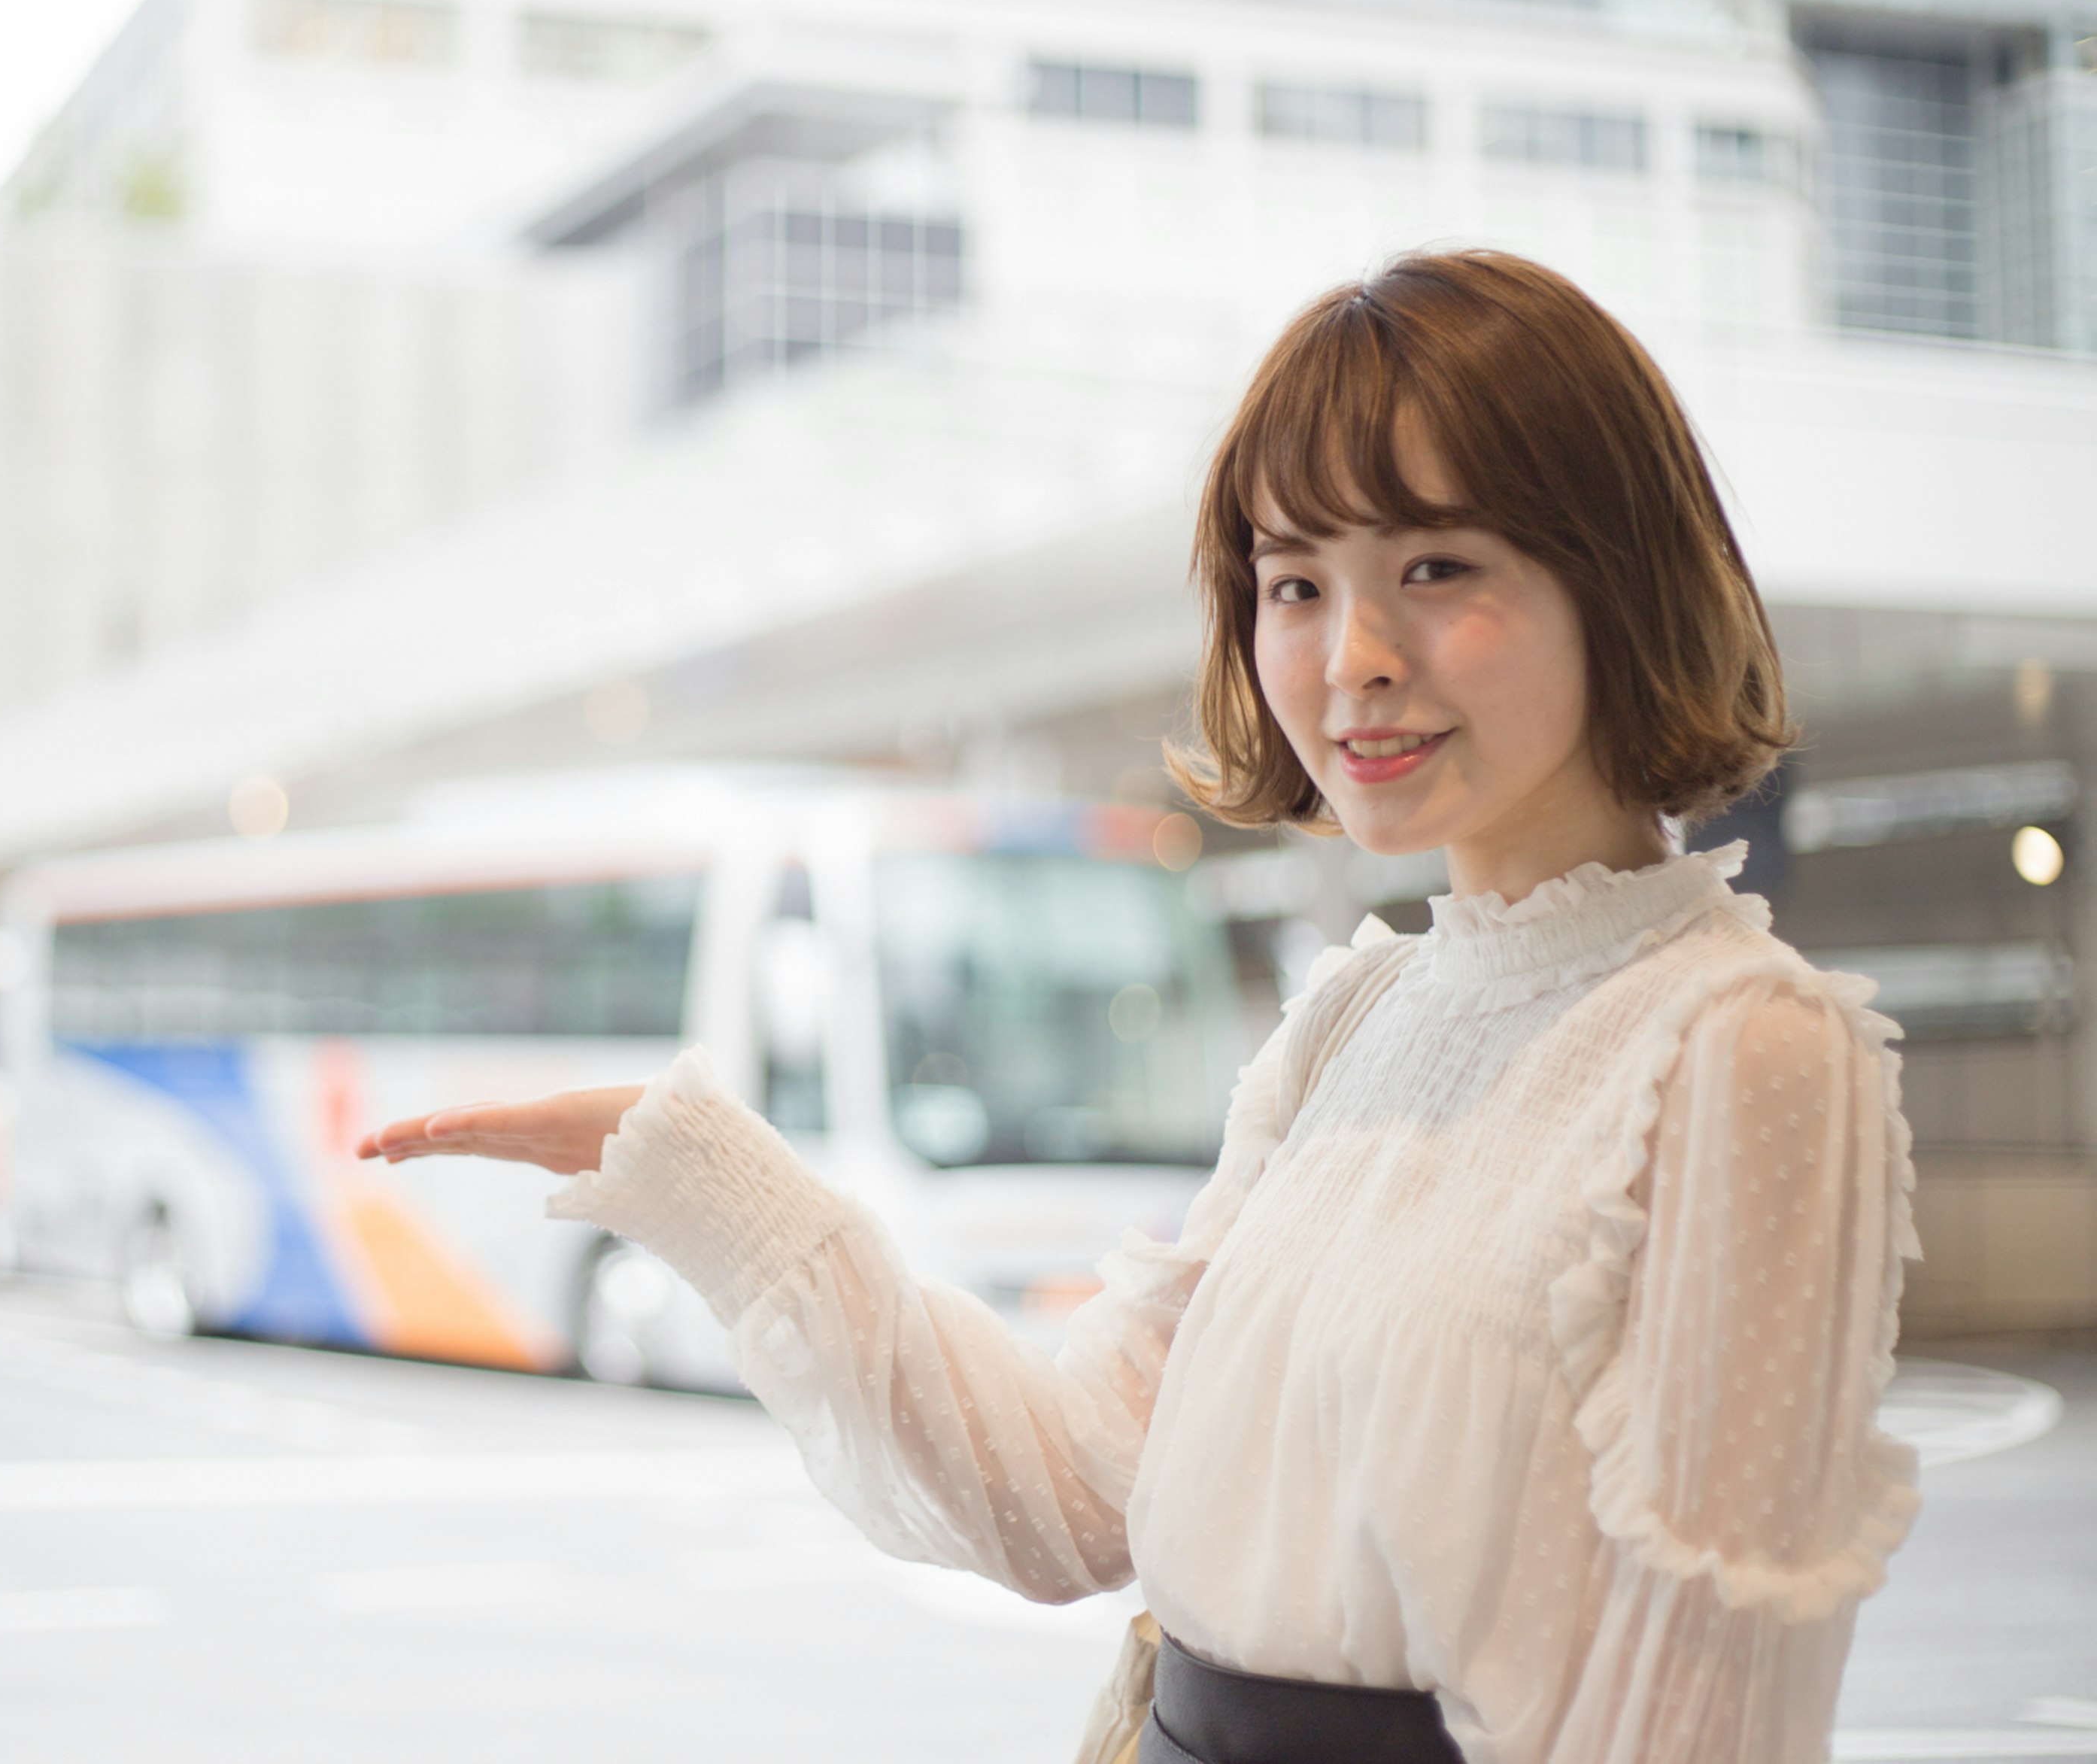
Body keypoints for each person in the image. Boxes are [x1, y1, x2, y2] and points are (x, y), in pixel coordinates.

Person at [357, 250, 1918, 1764]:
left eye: (1438, 567)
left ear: (1618, 577)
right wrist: (699, 1173)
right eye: (1294, 581)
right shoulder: (1358, 1015)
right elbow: (1066, 1481)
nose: (1354, 657)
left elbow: (1700, 1714)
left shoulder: (1740, 1047)